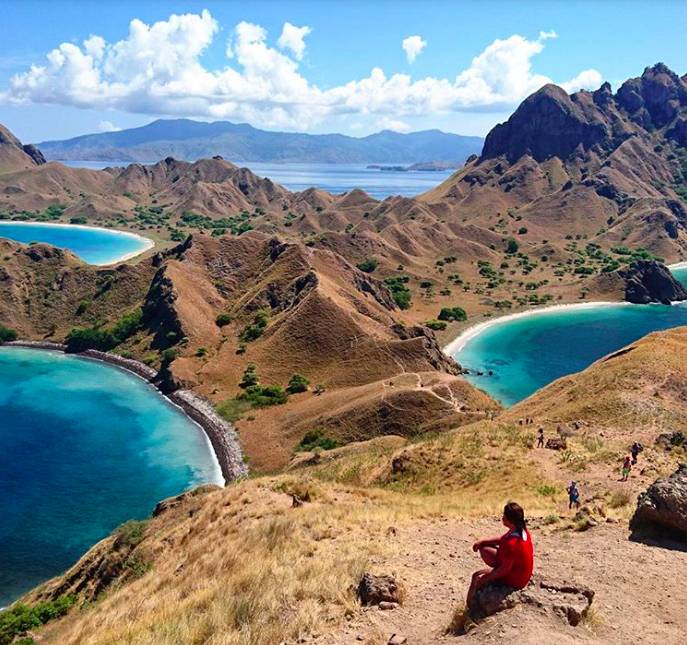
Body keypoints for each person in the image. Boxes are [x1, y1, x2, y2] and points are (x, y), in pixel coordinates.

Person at [467, 502, 534, 610]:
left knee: (477, 577)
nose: (502, 517)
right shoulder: (521, 531)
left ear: (509, 520)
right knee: (485, 548)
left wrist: (485, 579)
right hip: (518, 571)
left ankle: (471, 608)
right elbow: (502, 540)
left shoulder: (512, 544)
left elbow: (504, 569)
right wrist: (483, 542)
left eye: (504, 515)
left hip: (515, 578)